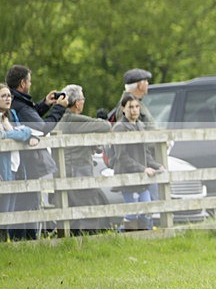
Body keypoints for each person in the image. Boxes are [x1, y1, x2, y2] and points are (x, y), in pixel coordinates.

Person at [7, 64, 67, 239]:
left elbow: (29, 118)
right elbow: (42, 128)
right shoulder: (21, 106)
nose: (30, 84)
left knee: (23, 203)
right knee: (28, 204)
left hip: (20, 165)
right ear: (23, 83)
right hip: (27, 164)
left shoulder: (17, 102)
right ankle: (28, 242)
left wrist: (45, 104)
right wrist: (59, 108)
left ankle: (24, 242)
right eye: (29, 81)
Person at [53, 84, 112, 234]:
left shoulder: (60, 118)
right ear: (78, 102)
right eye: (83, 99)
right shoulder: (73, 119)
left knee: (70, 212)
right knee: (89, 207)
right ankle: (89, 243)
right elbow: (105, 125)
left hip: (64, 170)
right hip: (78, 169)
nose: (83, 102)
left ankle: (72, 246)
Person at [112, 93, 164, 230]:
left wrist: (156, 165)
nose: (134, 110)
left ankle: (144, 236)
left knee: (146, 209)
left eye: (137, 107)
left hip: (142, 178)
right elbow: (122, 157)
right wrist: (143, 169)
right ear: (123, 109)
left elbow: (145, 152)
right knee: (132, 212)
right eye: (131, 107)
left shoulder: (141, 125)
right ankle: (124, 235)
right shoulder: (119, 128)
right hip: (128, 176)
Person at [0, 84, 36, 239]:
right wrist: (16, 133)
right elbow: (19, 135)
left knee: (10, 211)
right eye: (3, 96)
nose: (8, 99)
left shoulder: (10, 116)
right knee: (3, 210)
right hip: (3, 170)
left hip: (15, 168)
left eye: (9, 96)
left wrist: (11, 132)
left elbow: (26, 131)